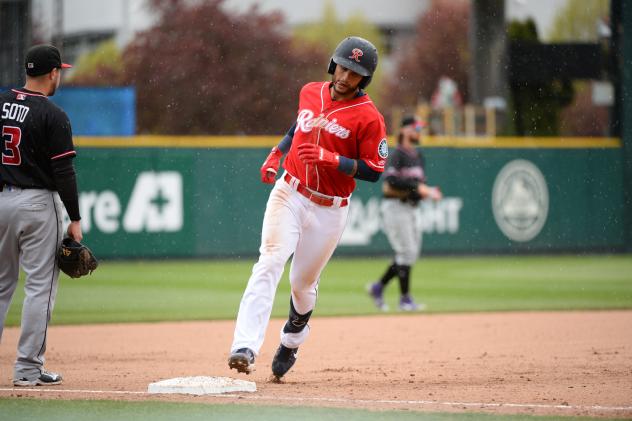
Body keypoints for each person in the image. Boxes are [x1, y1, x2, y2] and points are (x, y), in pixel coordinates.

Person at [228, 36, 387, 381]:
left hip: (330, 208)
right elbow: (299, 124)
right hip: (291, 192)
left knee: (302, 283)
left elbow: (375, 170)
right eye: (343, 67)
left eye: (355, 72)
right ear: (333, 64)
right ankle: (245, 346)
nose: (346, 77)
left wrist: (335, 160)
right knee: (270, 260)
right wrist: (277, 151)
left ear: (365, 78)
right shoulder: (310, 91)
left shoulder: (369, 118)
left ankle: (292, 338)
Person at [0, 44, 82, 386]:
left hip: (2, 200)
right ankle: (27, 370)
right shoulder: (53, 115)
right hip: (37, 204)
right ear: (52, 73)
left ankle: (28, 368)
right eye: (59, 70)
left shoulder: (2, 104)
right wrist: (75, 219)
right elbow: (63, 171)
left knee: (1, 285)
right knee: (39, 288)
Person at [368, 116, 442, 312]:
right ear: (405, 131)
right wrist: (417, 187)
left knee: (410, 254)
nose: (419, 132)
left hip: (411, 208)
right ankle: (404, 299)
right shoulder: (397, 155)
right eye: (416, 128)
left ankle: (378, 287)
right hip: (395, 208)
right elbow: (390, 184)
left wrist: (427, 193)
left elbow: (417, 188)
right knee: (406, 252)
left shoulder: (418, 156)